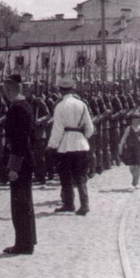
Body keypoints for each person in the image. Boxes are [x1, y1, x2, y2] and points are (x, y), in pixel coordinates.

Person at [47, 78, 94, 216]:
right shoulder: (82, 104)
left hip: (65, 145)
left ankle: (69, 204)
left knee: (65, 176)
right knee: (81, 176)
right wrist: (84, 137)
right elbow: (89, 127)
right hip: (81, 144)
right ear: (73, 89)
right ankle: (84, 204)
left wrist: (52, 145)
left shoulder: (60, 106)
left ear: (60, 90)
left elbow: (58, 129)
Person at [1, 75, 36, 254]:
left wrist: (14, 167)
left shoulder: (18, 109)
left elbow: (20, 140)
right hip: (23, 159)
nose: (5, 92)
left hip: (20, 162)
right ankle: (28, 240)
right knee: (24, 202)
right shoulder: (22, 106)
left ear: (14, 88)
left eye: (7, 89)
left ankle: (23, 244)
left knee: (20, 204)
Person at [118, 114, 140, 189]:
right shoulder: (129, 128)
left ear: (139, 120)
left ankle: (134, 183)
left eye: (137, 120)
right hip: (130, 149)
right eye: (133, 120)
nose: (135, 122)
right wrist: (120, 147)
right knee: (132, 167)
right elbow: (124, 138)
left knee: (137, 166)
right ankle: (136, 181)